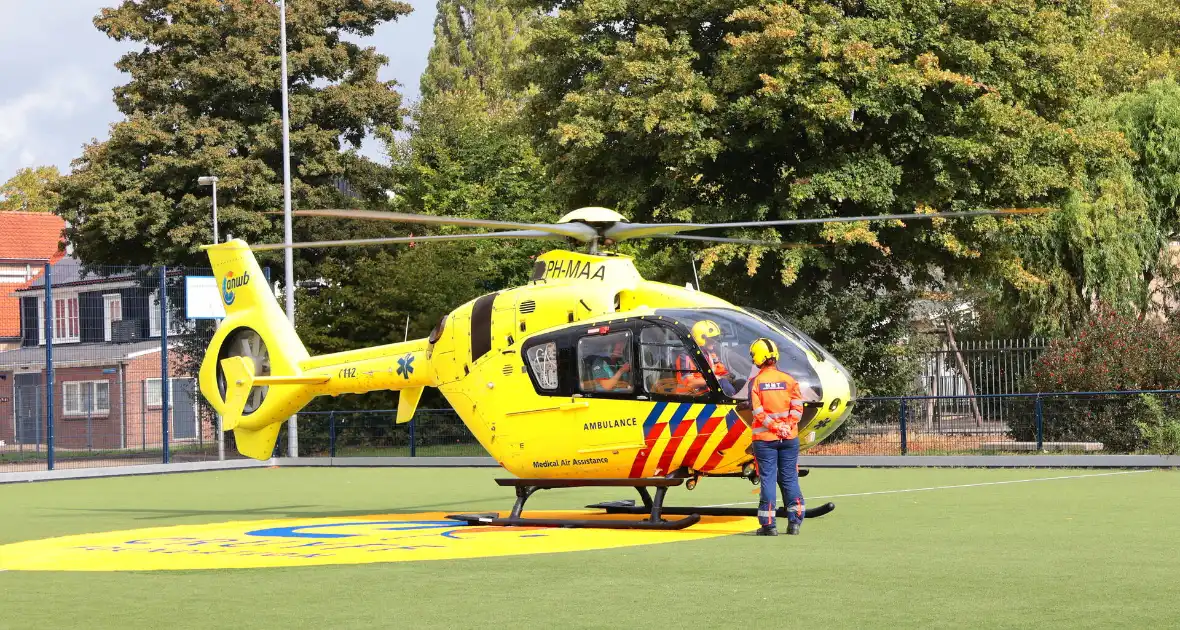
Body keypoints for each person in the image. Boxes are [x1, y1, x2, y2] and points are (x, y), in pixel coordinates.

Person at [747, 337, 806, 536]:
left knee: (768, 479)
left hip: (765, 441)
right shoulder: (789, 380)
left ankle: (769, 525)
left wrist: (774, 427)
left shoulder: (756, 383)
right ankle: (795, 522)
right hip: (790, 438)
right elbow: (798, 408)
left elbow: (758, 413)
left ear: (758, 358)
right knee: (790, 478)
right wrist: (787, 426)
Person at [674, 320, 741, 396]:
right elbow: (690, 383)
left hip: (707, 391)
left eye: (716, 338)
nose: (715, 342)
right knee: (724, 385)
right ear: (701, 338)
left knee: (740, 383)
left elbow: (720, 371)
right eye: (712, 339)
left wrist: (728, 376)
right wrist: (718, 378)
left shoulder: (710, 354)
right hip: (691, 396)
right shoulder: (685, 358)